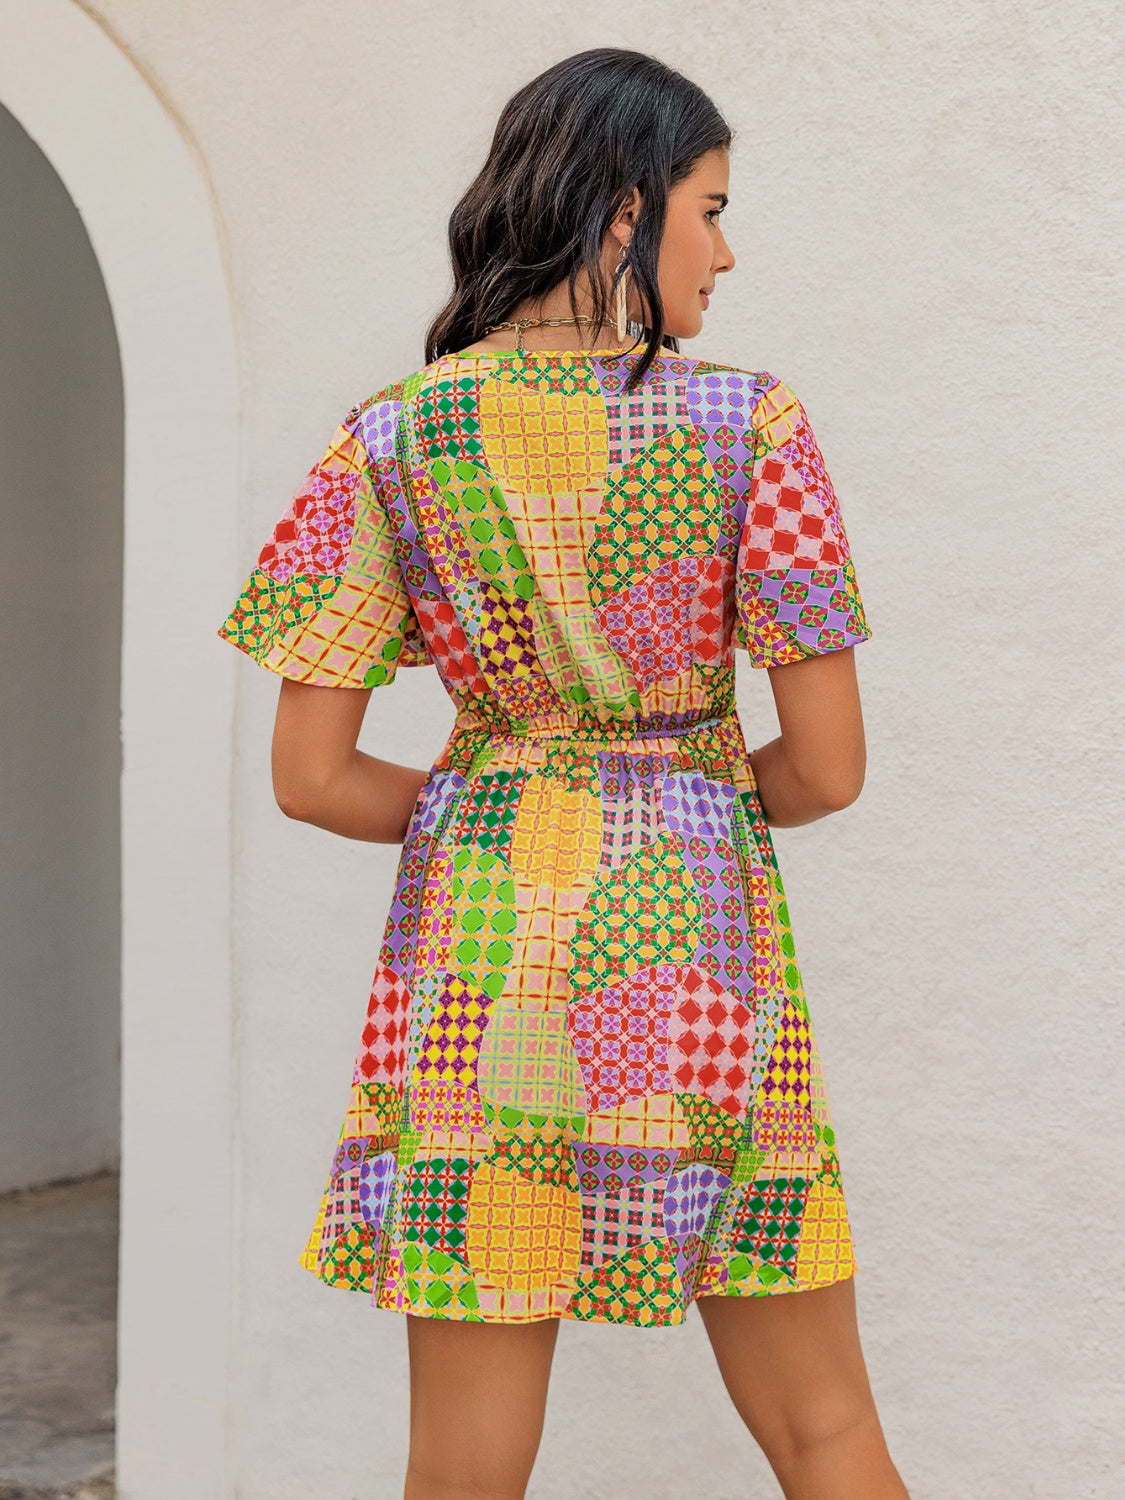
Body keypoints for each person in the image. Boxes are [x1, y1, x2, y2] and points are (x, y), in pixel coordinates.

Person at [217, 46, 909, 1500]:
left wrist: (503, 817)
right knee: (824, 1428)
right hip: (698, 964)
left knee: (461, 1468)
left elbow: (311, 779)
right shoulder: (751, 425)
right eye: (711, 210)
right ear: (624, 209)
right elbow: (828, 771)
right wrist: (680, 808)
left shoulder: (390, 436)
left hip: (478, 978)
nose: (726, 251)